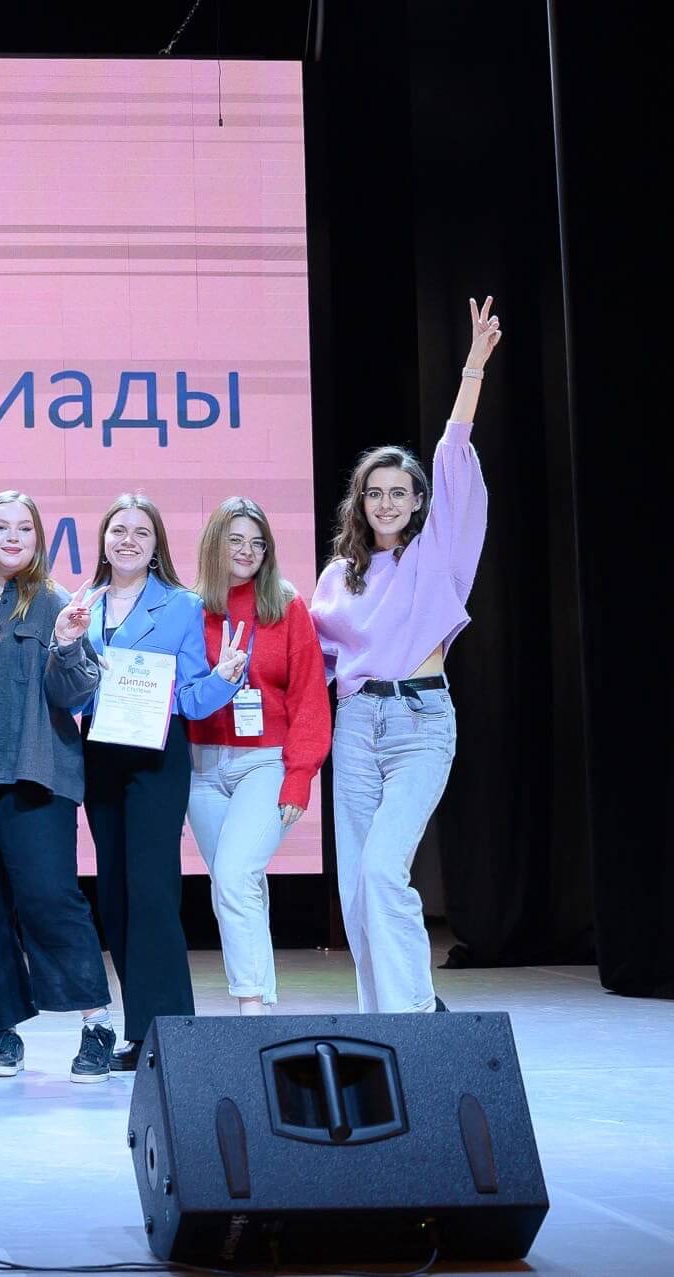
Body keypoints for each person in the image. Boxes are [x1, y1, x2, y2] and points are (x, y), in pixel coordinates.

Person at [312, 296, 501, 1014]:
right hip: (357, 727)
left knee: (384, 870)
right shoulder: (339, 577)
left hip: (420, 722)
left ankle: (417, 1014)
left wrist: (472, 369)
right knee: (356, 887)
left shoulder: (438, 557)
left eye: (400, 493)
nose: (387, 503)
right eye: (375, 493)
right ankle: (383, 1021)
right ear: (360, 503)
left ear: (420, 502)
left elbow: (453, 458)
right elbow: (310, 663)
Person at [80, 494, 246, 1071]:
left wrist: (224, 678)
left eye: (141, 532)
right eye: (118, 530)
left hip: (156, 756)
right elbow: (72, 690)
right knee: (114, 894)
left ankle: (171, 1031)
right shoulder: (82, 605)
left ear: (156, 547)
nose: (128, 540)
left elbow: (194, 698)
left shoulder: (181, 605)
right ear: (103, 540)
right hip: (99, 754)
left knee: (151, 891)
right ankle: (139, 1030)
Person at [0, 490, 119, 1083]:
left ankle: (96, 1023)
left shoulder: (55, 602)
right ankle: (3, 1031)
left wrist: (70, 643)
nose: (12, 537)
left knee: (50, 898)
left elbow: (73, 695)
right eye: (0, 526)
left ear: (39, 538)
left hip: (37, 770)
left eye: (24, 528)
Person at [185, 497, 331, 1014]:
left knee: (234, 876)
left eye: (257, 543)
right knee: (237, 884)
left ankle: (249, 1010)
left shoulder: (286, 606)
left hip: (265, 763)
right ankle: (263, 1002)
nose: (247, 551)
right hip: (202, 767)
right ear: (215, 545)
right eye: (236, 540)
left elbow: (309, 697)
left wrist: (300, 775)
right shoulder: (190, 608)